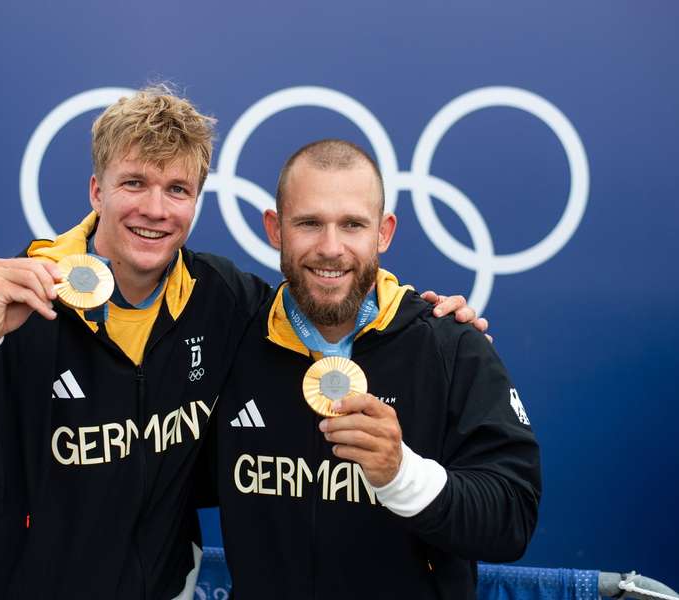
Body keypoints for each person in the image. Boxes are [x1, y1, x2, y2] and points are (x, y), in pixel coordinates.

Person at [0, 87, 487, 599]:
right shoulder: (19, 303)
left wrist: (422, 313)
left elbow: (328, 292)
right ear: (97, 190)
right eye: (134, 183)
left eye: (178, 189)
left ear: (198, 200)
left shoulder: (223, 300)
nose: (155, 209)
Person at [210, 139, 541, 599]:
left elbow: (511, 519)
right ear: (275, 228)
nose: (331, 248)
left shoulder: (451, 345)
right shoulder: (233, 339)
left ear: (383, 232)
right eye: (309, 223)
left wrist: (401, 473)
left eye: (352, 224)